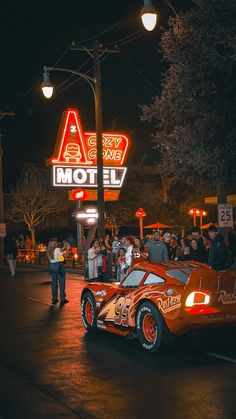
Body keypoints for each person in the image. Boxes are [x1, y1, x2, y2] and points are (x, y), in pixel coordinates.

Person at [46, 238, 69, 305]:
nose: (57, 244)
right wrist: (67, 249)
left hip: (52, 266)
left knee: (54, 283)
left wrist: (64, 248)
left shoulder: (48, 250)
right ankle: (62, 299)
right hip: (59, 266)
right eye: (56, 243)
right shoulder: (57, 249)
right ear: (55, 244)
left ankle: (54, 299)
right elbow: (63, 257)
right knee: (61, 283)